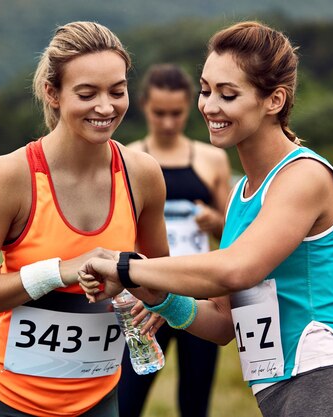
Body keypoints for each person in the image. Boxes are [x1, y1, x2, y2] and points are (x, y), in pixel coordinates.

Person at [78, 21, 333, 417]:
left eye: (228, 94)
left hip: (328, 386)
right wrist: (160, 298)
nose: (210, 106)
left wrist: (130, 268)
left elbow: (237, 270)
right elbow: (224, 323)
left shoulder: (304, 177)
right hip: (281, 395)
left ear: (274, 100)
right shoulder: (241, 194)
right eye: (206, 90)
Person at [0, 21, 169, 417]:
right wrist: (60, 272)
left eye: (117, 91)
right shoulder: (10, 176)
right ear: (53, 93)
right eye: (87, 93)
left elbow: (161, 276)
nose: (106, 107)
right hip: (8, 399)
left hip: (99, 400)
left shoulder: (142, 174)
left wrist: (154, 301)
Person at [122, 63, 231, 417]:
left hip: (198, 296)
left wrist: (214, 220)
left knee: (195, 401)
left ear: (190, 107)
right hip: (144, 295)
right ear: (143, 106)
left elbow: (234, 235)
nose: (168, 123)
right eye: (159, 113)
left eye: (177, 113)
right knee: (127, 398)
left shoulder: (212, 158)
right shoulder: (125, 155)